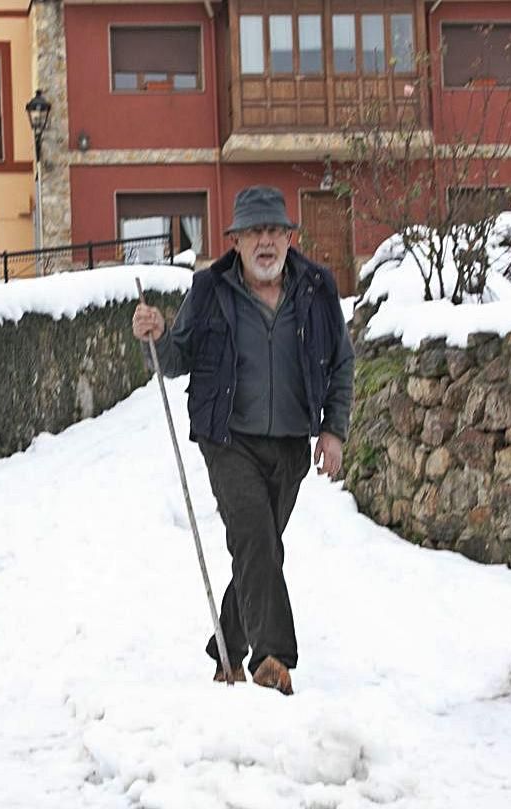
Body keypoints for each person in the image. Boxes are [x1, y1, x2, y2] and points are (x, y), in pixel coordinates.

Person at [132, 186, 354, 695]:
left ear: (289, 237)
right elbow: (175, 360)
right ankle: (273, 657)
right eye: (254, 232)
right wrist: (160, 333)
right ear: (235, 242)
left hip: (292, 443)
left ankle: (227, 650)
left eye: (275, 230)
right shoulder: (209, 289)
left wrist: (333, 429)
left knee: (262, 550)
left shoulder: (317, 287)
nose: (266, 242)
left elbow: (341, 362)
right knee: (254, 535)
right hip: (227, 438)